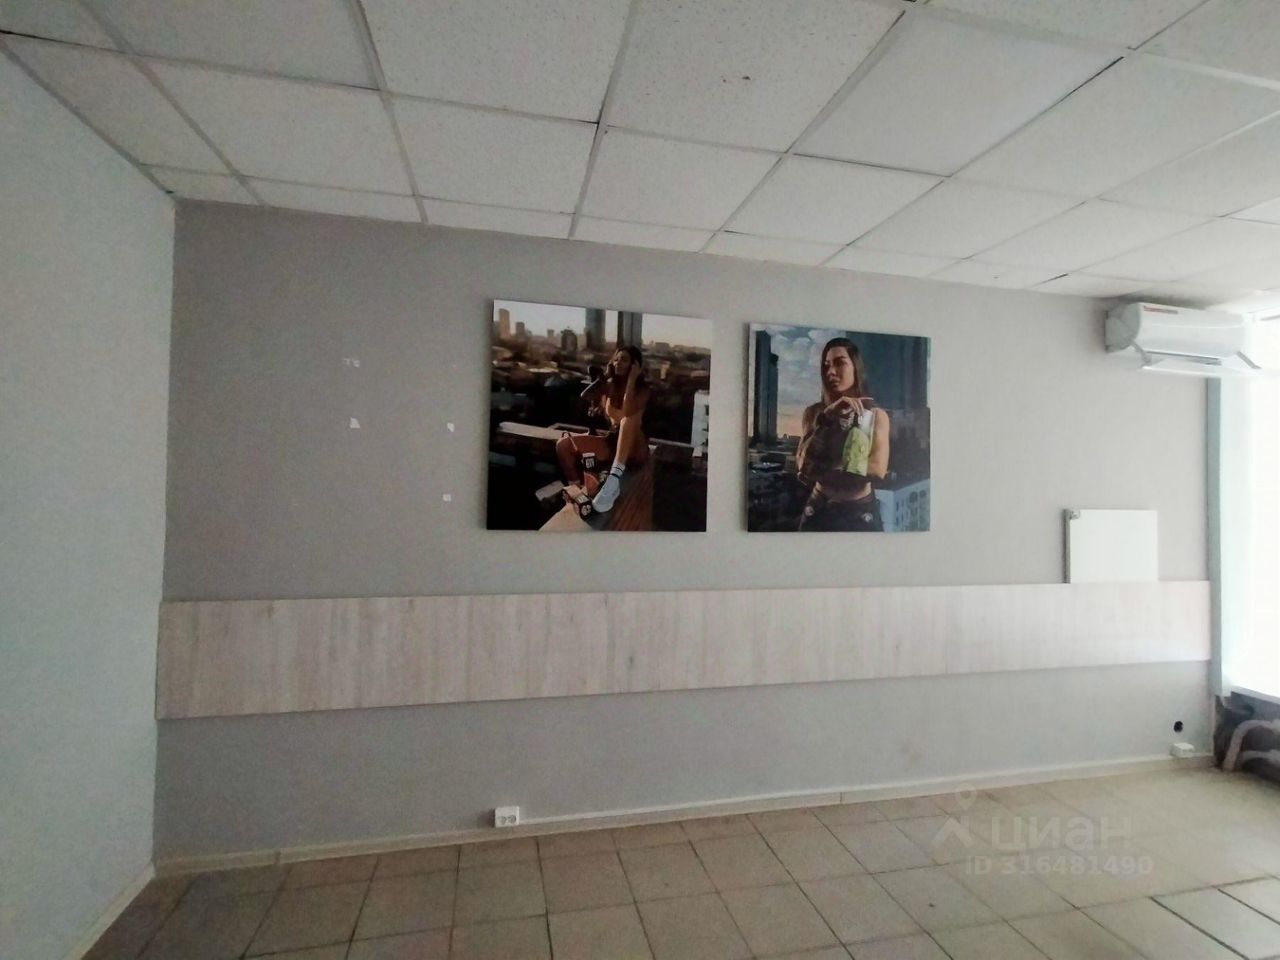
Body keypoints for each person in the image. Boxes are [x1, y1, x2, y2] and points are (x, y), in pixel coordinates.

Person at [795, 337, 890, 531]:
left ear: (856, 368)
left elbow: (877, 469)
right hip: (818, 508)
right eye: (826, 365)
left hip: (860, 512)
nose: (830, 371)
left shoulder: (875, 416)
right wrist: (826, 419)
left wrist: (821, 467)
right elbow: (803, 468)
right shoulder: (815, 413)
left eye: (839, 363)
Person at [555, 345, 650, 513]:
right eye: (616, 359)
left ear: (634, 365)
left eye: (624, 360)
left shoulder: (643, 390)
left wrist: (631, 380)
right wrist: (605, 376)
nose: (618, 363)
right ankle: (578, 492)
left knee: (627, 421)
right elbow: (586, 395)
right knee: (563, 445)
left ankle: (613, 481)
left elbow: (628, 411)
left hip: (635, 447)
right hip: (612, 442)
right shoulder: (610, 385)